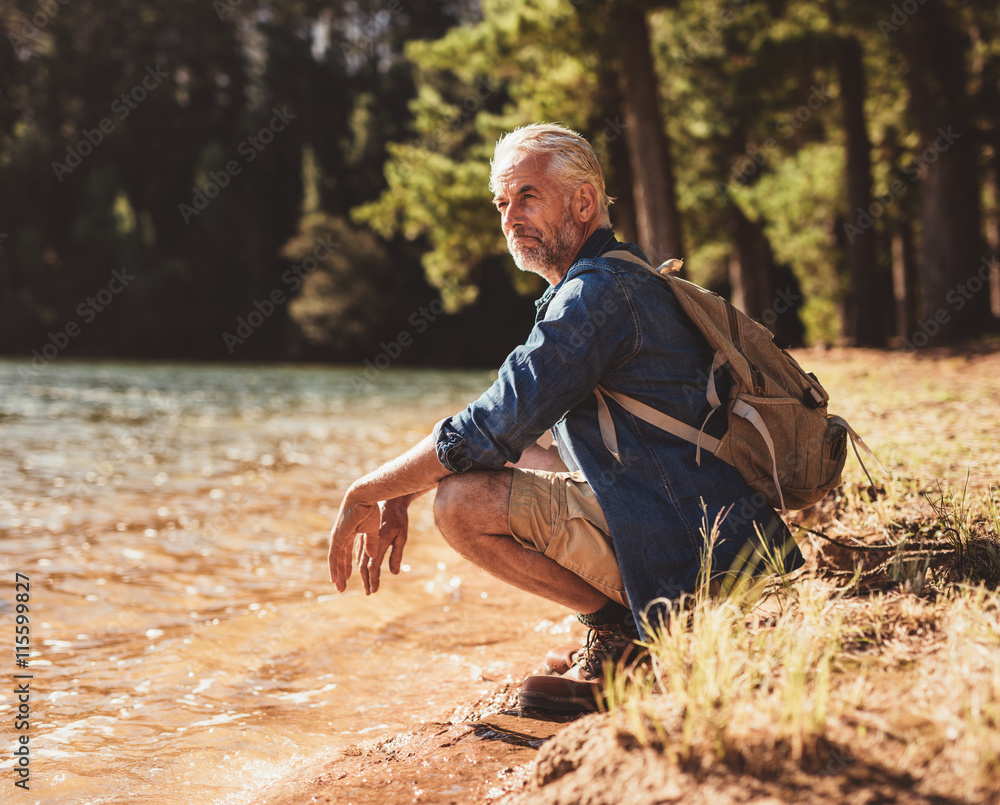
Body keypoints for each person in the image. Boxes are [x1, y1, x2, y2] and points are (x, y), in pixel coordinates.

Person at [327, 123, 801, 713]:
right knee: (489, 463)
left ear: (583, 202)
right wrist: (404, 487)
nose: (510, 218)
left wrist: (369, 489)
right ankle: (621, 622)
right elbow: (508, 432)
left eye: (528, 196)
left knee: (458, 503)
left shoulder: (594, 296)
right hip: (723, 533)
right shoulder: (618, 275)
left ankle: (625, 640)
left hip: (696, 551)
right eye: (503, 202)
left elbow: (489, 425)